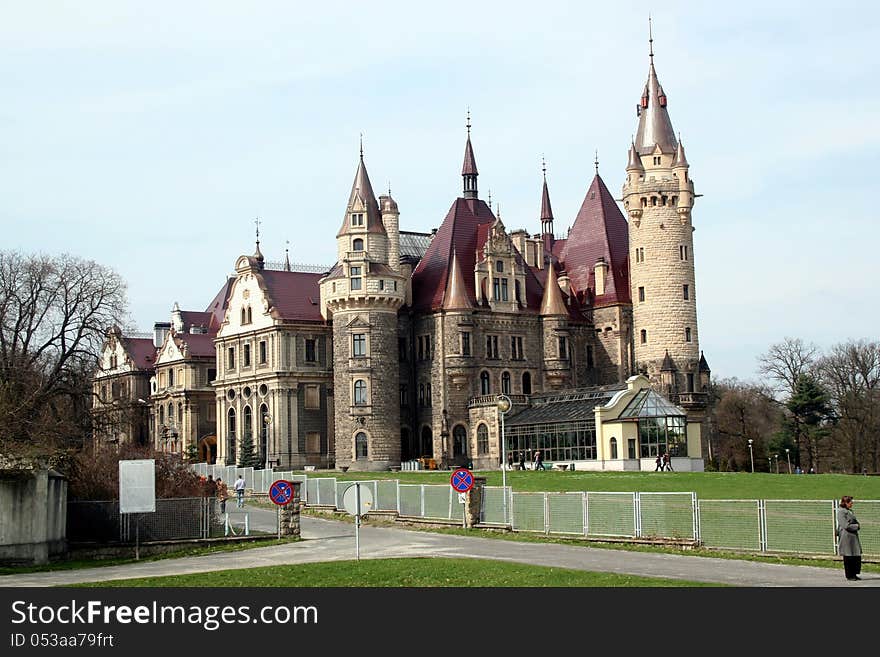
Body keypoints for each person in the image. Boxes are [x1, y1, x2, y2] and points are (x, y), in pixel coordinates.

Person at [836, 495, 862, 581]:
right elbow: (845, 525)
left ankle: (854, 574)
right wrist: (856, 526)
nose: (852, 504)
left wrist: (857, 525)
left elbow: (854, 521)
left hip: (853, 537)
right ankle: (849, 575)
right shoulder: (841, 512)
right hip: (846, 537)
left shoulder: (849, 511)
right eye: (850, 502)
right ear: (846, 503)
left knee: (855, 555)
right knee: (848, 556)